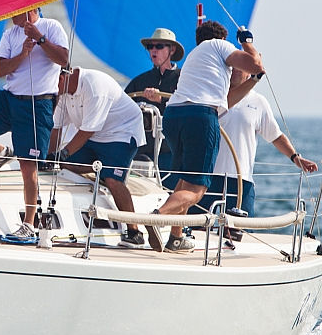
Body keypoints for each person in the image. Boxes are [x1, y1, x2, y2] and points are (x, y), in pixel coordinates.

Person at [148, 20, 265, 253]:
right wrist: (248, 43)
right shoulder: (218, 46)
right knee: (197, 189)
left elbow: (228, 102)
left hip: (174, 116)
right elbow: (254, 63)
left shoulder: (196, 58)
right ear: (223, 39)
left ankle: (176, 237)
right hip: (199, 117)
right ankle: (157, 217)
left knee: (184, 180)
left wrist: (254, 81)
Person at [0, 8, 69, 239]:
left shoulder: (52, 27)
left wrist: (39, 38)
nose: (10, 14)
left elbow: (63, 59)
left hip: (38, 104)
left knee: (28, 167)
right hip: (9, 99)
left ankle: (29, 225)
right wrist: (22, 55)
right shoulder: (10, 34)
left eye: (15, 10)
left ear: (30, 9)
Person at [198, 67, 318, 218]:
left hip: (241, 180)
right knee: (195, 227)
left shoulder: (258, 102)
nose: (235, 70)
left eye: (240, 67)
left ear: (249, 72)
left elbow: (275, 136)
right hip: (207, 175)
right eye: (232, 66)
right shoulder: (213, 96)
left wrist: (295, 157)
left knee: (240, 234)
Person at [49, 67, 147, 247]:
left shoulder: (94, 86)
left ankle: (135, 232)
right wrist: (48, 157)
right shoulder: (63, 93)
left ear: (63, 77)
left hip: (122, 134)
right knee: (64, 164)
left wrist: (62, 154)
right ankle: (102, 168)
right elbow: (56, 128)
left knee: (112, 180)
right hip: (95, 137)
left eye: (50, 81)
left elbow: (87, 131)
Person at [125, 28, 184, 169]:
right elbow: (122, 109)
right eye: (150, 47)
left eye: (159, 46)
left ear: (172, 50)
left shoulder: (184, 80)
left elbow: (188, 111)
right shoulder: (138, 82)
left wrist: (161, 101)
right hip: (139, 154)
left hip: (171, 154)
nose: (153, 50)